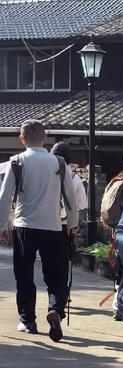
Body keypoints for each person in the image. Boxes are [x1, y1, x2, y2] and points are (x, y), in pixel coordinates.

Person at [0, 119, 78, 341]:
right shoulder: (59, 163)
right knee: (56, 275)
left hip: (25, 225)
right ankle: (55, 310)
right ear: (45, 138)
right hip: (53, 226)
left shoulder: (16, 162)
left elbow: (5, 198)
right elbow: (70, 199)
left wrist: (1, 226)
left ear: (22, 139)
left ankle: (28, 320)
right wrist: (72, 225)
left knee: (24, 275)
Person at [51, 142, 88, 229]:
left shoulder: (46, 176)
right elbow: (82, 204)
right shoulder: (76, 179)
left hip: (47, 222)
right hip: (67, 223)